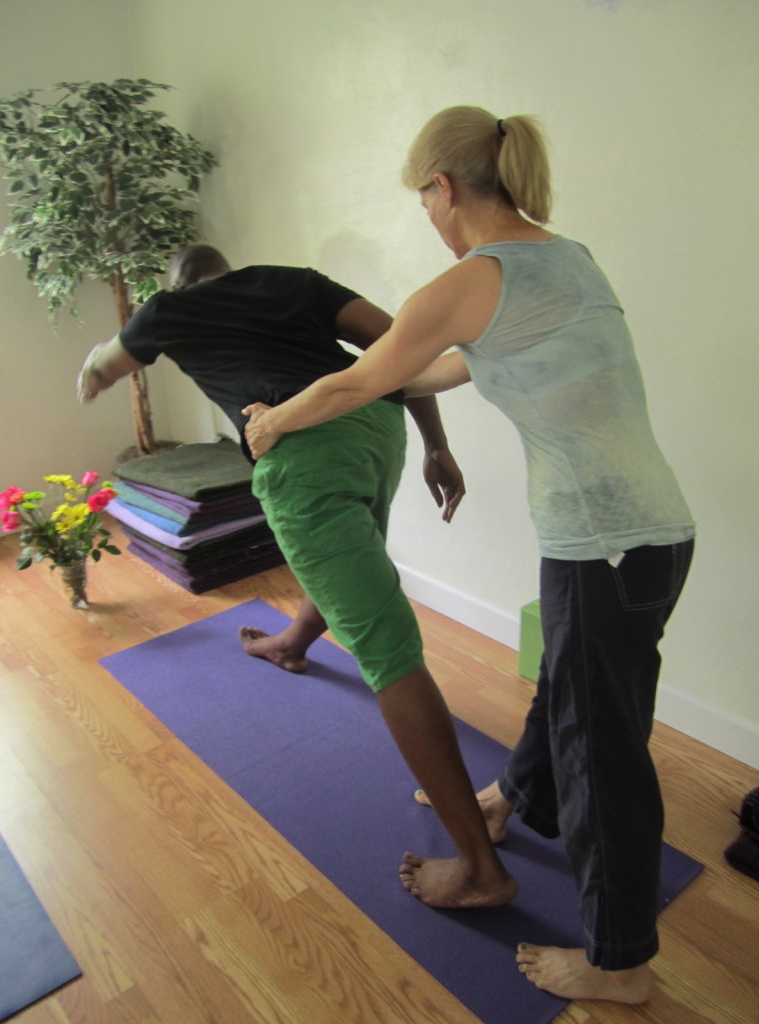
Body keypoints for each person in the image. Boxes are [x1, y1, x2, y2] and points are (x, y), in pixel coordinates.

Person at [243, 107, 695, 1005]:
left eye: (424, 200)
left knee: (601, 753)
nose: (428, 216)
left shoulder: (475, 276)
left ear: (444, 188)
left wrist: (275, 420)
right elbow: (443, 368)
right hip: (639, 537)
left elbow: (362, 377)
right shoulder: (563, 257)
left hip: (606, 544)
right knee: (569, 691)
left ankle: (622, 962)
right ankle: (513, 800)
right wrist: (386, 378)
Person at [77, 243, 516, 913]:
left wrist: (90, 375)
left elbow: (103, 365)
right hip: (377, 433)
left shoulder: (168, 310)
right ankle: (293, 643)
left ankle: (481, 869)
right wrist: (436, 442)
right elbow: (404, 347)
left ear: (177, 285)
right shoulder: (291, 282)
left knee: (385, 647)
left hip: (305, 449)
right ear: (231, 270)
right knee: (347, 563)